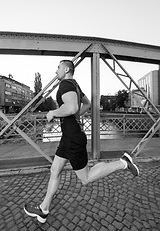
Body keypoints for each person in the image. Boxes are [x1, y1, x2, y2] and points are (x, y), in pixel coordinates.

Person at [24, 60, 139, 223]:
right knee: (54, 170)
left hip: (72, 137)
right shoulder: (75, 85)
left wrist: (53, 112)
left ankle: (123, 163)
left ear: (65, 69)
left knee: (86, 178)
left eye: (58, 68)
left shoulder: (65, 84)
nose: (56, 71)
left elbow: (71, 108)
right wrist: (75, 115)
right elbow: (87, 104)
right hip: (68, 137)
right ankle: (44, 209)